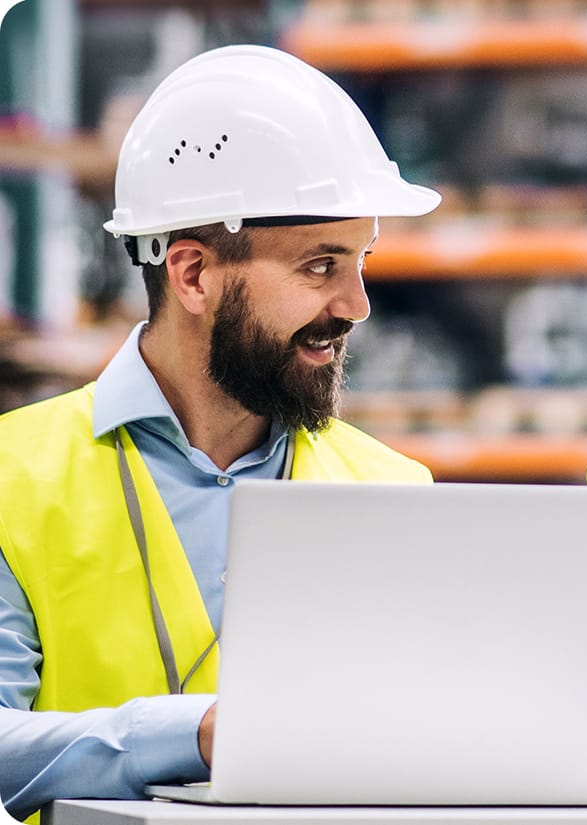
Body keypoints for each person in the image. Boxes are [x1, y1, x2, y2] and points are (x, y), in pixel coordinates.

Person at [0, 44, 441, 820]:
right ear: (194, 274)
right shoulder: (14, 477)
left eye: (361, 260)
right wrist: (189, 734)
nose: (356, 304)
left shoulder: (396, 490)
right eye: (319, 267)